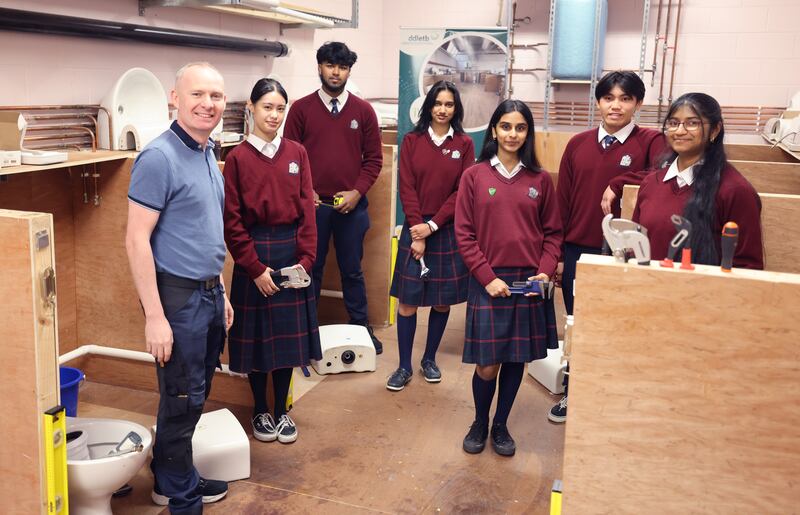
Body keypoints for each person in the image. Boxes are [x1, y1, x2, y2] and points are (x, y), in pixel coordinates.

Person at [126, 62, 233, 513]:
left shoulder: (207, 151)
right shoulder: (159, 157)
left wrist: (222, 290)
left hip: (207, 293)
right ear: (174, 97)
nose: (208, 104)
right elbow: (136, 240)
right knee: (182, 395)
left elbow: (206, 231)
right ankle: (180, 495)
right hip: (178, 298)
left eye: (216, 96)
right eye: (197, 95)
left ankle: (174, 472)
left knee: (193, 394)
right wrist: (155, 316)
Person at [551, 71, 666, 423]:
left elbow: (662, 174)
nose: (616, 105)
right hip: (576, 249)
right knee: (576, 325)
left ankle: (614, 397)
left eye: (625, 98)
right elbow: (562, 202)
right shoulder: (578, 144)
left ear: (638, 104)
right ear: (598, 102)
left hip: (625, 254)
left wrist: (619, 181)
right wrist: (557, 254)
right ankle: (575, 394)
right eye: (609, 98)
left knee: (619, 326)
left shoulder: (651, 142)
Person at [455, 100, 562, 457]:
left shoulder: (540, 180)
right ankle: (480, 421)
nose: (512, 134)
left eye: (519, 128)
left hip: (529, 284)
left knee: (516, 359)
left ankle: (501, 424)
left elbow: (553, 234)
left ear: (527, 133)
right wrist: (486, 278)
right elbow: (465, 234)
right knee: (487, 363)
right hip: (489, 282)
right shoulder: (474, 175)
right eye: (505, 126)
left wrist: (544, 272)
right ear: (494, 130)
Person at [223, 78, 321, 445]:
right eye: (267, 107)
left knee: (286, 346)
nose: (274, 115)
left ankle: (281, 410)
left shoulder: (297, 153)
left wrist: (306, 261)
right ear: (251, 108)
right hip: (255, 254)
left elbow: (307, 213)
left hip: (292, 253)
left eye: (280, 108)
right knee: (259, 342)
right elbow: (232, 221)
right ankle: (260, 411)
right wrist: (254, 268)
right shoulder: (237, 158)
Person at [283, 41, 384, 354]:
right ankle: (306, 335)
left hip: (350, 207)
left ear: (348, 71)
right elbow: (291, 157)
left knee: (352, 269)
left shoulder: (364, 111)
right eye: (330, 65)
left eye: (342, 67)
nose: (336, 72)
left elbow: (374, 159)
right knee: (309, 270)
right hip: (312, 207)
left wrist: (357, 192)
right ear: (320, 67)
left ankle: (361, 328)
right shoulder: (300, 109)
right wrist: (306, 191)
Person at [386, 81, 475, 391]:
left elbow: (461, 192)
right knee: (408, 303)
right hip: (415, 229)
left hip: (446, 231)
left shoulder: (464, 144)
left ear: (456, 108)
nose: (443, 109)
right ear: (429, 106)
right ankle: (403, 366)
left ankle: (429, 359)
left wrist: (433, 226)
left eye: (449, 104)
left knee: (440, 302)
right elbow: (406, 187)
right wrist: (417, 229)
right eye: (438, 103)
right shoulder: (412, 140)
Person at [633, 92, 763, 269]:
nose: (679, 131)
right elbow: (636, 245)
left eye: (692, 123)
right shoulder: (651, 183)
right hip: (649, 289)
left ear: (715, 130)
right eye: (673, 123)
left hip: (704, 294)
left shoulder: (735, 190)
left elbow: (748, 267)